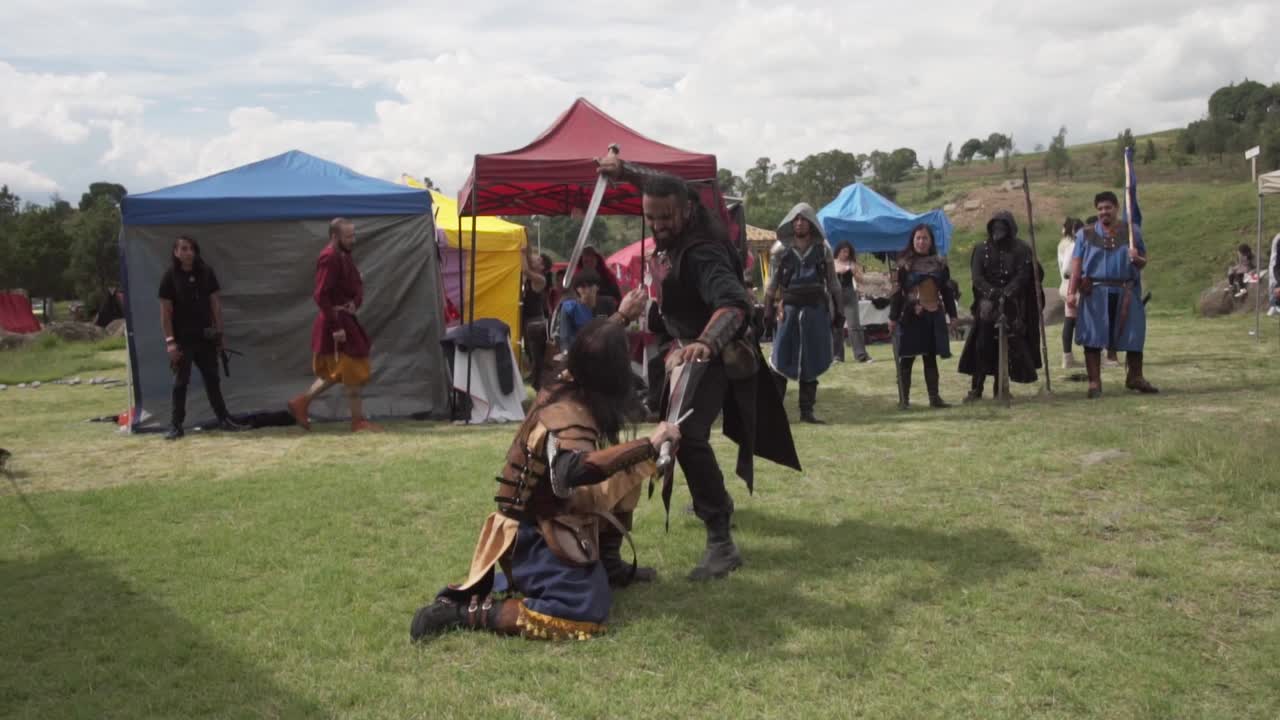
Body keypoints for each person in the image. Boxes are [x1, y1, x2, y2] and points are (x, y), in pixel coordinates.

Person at [597, 151, 800, 581]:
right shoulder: (684, 214)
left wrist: (706, 342)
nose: (658, 225)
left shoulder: (703, 248)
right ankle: (714, 502)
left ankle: (721, 539)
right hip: (686, 348)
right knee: (683, 437)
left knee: (684, 438)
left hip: (715, 352)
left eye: (666, 218)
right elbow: (658, 181)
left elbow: (733, 304)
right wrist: (626, 172)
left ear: (687, 211)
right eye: (652, 218)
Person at [409, 319, 680, 641]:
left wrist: (620, 317)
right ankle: (460, 613)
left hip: (555, 513)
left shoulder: (569, 380)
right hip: (534, 532)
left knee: (632, 467)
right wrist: (648, 444)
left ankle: (609, 566)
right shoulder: (568, 415)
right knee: (582, 608)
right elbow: (572, 471)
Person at [287, 218, 382, 432]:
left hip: (345, 319)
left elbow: (356, 284)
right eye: (348, 236)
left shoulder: (344, 256)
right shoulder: (329, 258)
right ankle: (357, 422)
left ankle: (302, 402)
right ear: (334, 236)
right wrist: (336, 327)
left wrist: (354, 302)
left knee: (341, 372)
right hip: (336, 323)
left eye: (353, 235)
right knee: (352, 370)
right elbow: (321, 295)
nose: (352, 240)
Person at [1067, 191, 1158, 398]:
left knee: (1134, 335)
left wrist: (1136, 258)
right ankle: (1094, 383)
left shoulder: (1132, 232)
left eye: (1107, 208)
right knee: (1092, 337)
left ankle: (1135, 376)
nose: (1103, 212)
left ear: (1116, 208)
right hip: (1095, 291)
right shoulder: (1085, 234)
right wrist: (1072, 292)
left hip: (1126, 290)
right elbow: (1076, 265)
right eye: (1099, 209)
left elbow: (1143, 262)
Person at [157, 235, 244, 440]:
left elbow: (215, 305)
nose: (188, 253)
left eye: (191, 249)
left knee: (212, 379)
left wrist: (219, 334)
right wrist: (170, 342)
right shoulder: (169, 277)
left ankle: (224, 419)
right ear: (176, 253)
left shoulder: (206, 273)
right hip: (182, 339)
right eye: (184, 249)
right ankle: (176, 425)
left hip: (205, 337)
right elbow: (165, 312)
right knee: (180, 382)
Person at [763, 203, 843, 424]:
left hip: (815, 309)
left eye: (804, 219)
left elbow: (833, 282)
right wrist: (768, 308)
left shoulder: (823, 249)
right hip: (788, 308)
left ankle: (807, 412)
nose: (799, 223)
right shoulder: (780, 249)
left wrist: (839, 310)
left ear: (811, 223)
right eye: (796, 219)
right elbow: (772, 283)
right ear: (791, 222)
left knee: (811, 359)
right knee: (780, 358)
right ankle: (775, 413)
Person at [959, 211, 1043, 401]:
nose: (999, 231)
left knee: (1006, 347)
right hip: (987, 304)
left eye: (1003, 227)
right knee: (982, 345)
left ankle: (1001, 388)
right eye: (996, 227)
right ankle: (977, 388)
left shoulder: (1021, 249)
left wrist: (1007, 293)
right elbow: (977, 277)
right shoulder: (981, 249)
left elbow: (1024, 275)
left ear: (1010, 228)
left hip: (1013, 304)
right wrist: (993, 294)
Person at [889, 224, 958, 409]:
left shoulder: (940, 264)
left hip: (933, 314)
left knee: (930, 358)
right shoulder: (904, 265)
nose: (921, 241)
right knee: (907, 358)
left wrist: (953, 315)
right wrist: (893, 317)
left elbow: (947, 291)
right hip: (911, 316)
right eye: (918, 238)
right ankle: (904, 400)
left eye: (925, 238)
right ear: (913, 241)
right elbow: (897, 293)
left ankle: (934, 398)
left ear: (931, 241)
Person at [833, 241, 873, 364]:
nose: (845, 254)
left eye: (847, 252)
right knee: (836, 326)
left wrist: (855, 272)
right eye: (843, 251)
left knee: (854, 325)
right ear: (838, 251)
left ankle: (861, 355)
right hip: (835, 294)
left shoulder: (852, 264)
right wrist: (839, 271)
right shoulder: (832, 263)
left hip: (849, 294)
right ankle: (837, 356)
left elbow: (861, 279)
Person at [521, 249, 550, 390]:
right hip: (528, 321)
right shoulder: (533, 278)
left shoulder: (540, 280)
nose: (534, 259)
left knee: (536, 355)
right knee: (529, 351)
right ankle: (536, 380)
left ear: (543, 267)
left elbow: (525, 270)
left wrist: (522, 253)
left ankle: (538, 384)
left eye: (538, 260)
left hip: (535, 322)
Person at [1058, 218, 1085, 369]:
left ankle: (1067, 358)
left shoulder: (1063, 244)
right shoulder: (1073, 245)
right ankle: (1099, 355)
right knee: (1088, 319)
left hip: (1065, 285)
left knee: (1069, 321)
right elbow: (1068, 269)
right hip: (1073, 286)